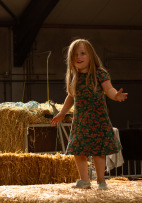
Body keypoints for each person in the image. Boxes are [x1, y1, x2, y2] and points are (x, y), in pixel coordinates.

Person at [51, 39, 128, 189]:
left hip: (98, 119)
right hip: (81, 121)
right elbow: (70, 98)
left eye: (82, 53)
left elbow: (109, 90)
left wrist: (115, 96)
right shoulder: (75, 77)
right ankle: (84, 180)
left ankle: (101, 180)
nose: (78, 57)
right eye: (74, 55)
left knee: (98, 151)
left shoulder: (100, 74)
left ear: (91, 56)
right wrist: (62, 113)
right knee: (78, 150)